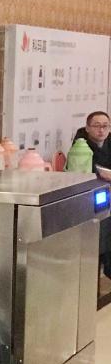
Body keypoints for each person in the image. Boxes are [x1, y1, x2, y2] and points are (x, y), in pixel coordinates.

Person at [73, 111, 111, 282]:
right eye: (96, 126)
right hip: (91, 196)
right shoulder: (80, 146)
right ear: (87, 128)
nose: (101, 130)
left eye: (105, 126)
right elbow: (91, 171)